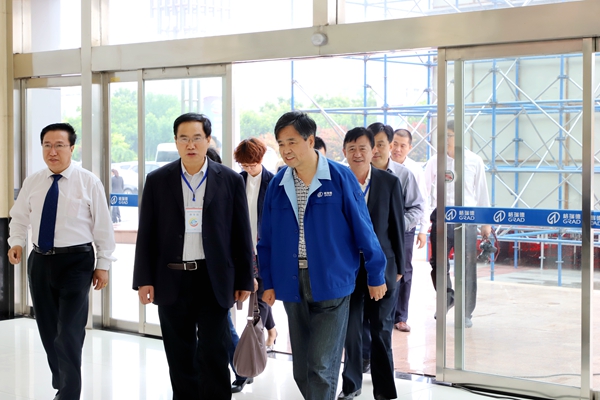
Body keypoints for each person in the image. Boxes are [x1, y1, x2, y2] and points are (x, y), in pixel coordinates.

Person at [257, 111, 387, 400]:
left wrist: (376, 273)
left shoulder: (340, 177)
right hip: (292, 282)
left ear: (310, 140)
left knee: (321, 366)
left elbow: (364, 229)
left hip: (332, 281)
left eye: (292, 142)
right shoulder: (278, 184)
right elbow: (267, 239)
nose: (286, 150)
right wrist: (268, 281)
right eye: (281, 144)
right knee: (302, 369)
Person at [132, 112, 254, 399]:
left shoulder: (230, 180)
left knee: (214, 353)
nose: (190, 144)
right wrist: (143, 279)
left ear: (208, 140)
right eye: (184, 138)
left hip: (214, 279)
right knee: (179, 355)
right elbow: (146, 233)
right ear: (175, 141)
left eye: (197, 138)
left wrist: (245, 279)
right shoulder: (158, 180)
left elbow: (241, 234)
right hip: (172, 277)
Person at [7, 122, 115, 400]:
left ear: (72, 148)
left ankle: (68, 393)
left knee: (69, 331)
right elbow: (18, 217)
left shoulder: (88, 181)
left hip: (76, 262)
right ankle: (63, 379)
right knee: (48, 329)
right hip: (40, 261)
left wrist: (103, 265)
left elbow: (103, 227)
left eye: (59, 145)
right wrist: (16, 242)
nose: (52, 151)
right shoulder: (33, 181)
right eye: (47, 145)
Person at [340, 127, 405, 400]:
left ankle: (385, 392)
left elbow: (397, 227)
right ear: (344, 152)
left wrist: (399, 267)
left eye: (363, 148)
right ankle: (351, 385)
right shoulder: (338, 182)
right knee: (351, 331)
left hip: (384, 268)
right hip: (348, 269)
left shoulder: (389, 183)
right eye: (351, 149)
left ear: (373, 150)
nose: (357, 154)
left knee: (381, 331)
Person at [361, 122, 424, 369]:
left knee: (395, 282)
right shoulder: (356, 173)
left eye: (381, 144)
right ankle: (364, 355)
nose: (376, 150)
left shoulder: (402, 174)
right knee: (362, 302)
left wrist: (395, 225)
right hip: (363, 242)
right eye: (372, 144)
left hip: (395, 237)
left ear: (390, 145)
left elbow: (417, 207)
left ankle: (399, 318)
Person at [424, 120, 491, 328]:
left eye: (449, 135)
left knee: (467, 267)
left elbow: (482, 191)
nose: (445, 140)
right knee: (437, 264)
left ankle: (466, 312)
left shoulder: (474, 161)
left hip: (467, 221)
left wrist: (485, 223)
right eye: (442, 135)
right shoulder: (435, 160)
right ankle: (447, 297)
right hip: (441, 219)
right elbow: (424, 191)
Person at [233, 138, 278, 351]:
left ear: (260, 159)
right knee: (252, 292)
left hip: (265, 247)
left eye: (252, 164)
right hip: (243, 247)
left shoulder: (273, 182)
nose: (248, 168)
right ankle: (272, 329)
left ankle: (256, 342)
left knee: (261, 295)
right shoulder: (236, 180)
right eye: (244, 165)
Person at [389, 128, 430, 332]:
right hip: (382, 227)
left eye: (402, 145)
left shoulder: (415, 169)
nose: (397, 149)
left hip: (406, 227)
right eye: (395, 144)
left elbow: (422, 201)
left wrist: (423, 229)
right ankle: (384, 314)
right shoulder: (381, 164)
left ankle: (401, 316)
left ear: (409, 147)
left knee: (404, 270)